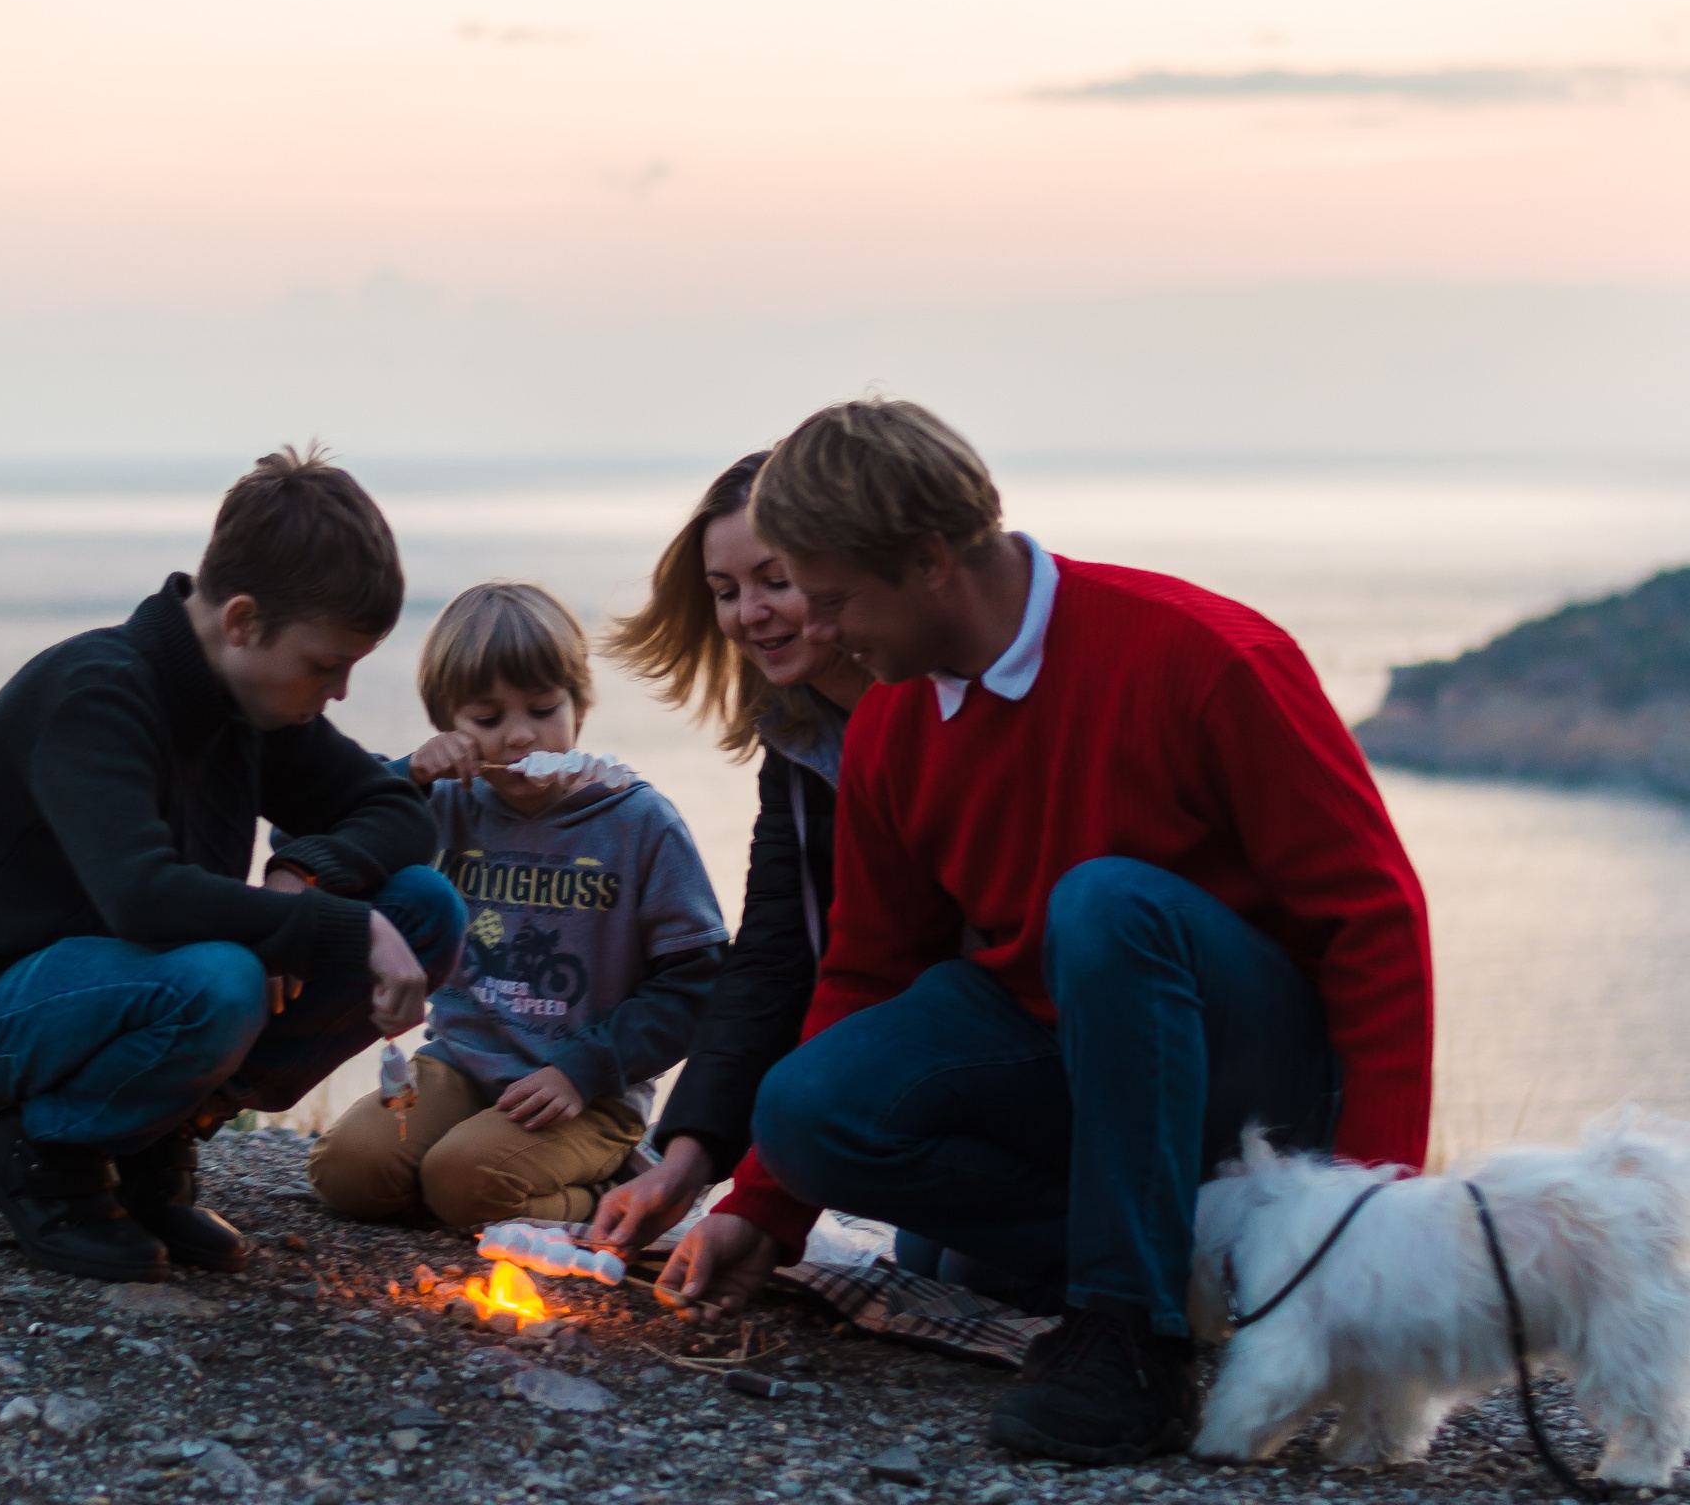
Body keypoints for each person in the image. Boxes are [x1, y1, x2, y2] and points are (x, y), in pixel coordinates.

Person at [663, 399, 1434, 1467]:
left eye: (832, 599)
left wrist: (1367, 1211)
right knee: (805, 1111)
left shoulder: (1206, 656)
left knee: (1106, 903)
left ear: (929, 562)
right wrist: (763, 1205)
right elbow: (871, 969)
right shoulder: (891, 721)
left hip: (1256, 1082)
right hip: (1073, 1073)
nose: (822, 631)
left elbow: (1374, 921)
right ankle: (1188, 1258)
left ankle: (1129, 1335)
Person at [0, 448, 468, 1285]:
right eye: (324, 664)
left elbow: (397, 811)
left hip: (136, 984)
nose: (340, 690)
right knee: (223, 980)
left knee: (424, 910)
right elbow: (143, 896)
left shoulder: (254, 705)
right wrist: (338, 930)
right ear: (242, 621)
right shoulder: (96, 694)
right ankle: (44, 1155)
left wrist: (302, 874)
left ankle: (151, 1138)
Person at [307, 582, 726, 1228]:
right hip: (461, 1066)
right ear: (449, 726)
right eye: (487, 719)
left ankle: (619, 1192)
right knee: (349, 1171)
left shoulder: (639, 823)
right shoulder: (442, 804)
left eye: (543, 709)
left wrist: (586, 1070)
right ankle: (473, 1176)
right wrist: (406, 777)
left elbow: (697, 983)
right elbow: (310, 835)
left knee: (465, 1182)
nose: (521, 736)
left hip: (586, 1090)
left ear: (579, 706)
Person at [588, 451, 873, 1254]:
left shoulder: (937, 711)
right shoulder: (798, 744)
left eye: (775, 581)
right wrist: (682, 1163)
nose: (750, 614)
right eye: (725, 591)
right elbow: (775, 956)